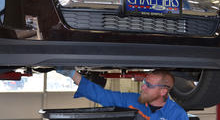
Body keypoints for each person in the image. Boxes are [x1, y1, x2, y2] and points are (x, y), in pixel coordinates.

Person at [57, 69, 189, 120]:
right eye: (144, 82)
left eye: (148, 85)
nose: (142, 87)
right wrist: (72, 74)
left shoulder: (177, 115)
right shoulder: (132, 100)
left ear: (163, 91)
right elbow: (102, 95)